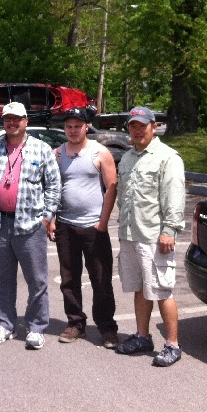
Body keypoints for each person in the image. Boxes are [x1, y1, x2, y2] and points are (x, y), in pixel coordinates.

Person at [0, 102, 60, 350]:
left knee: (36, 279)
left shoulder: (41, 149)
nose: (12, 123)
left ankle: (36, 327)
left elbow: (54, 186)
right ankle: (4, 323)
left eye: (16, 119)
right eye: (7, 119)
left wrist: (46, 217)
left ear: (26, 121)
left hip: (31, 225)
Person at [114, 106, 185, 367]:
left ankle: (173, 344)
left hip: (155, 236)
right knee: (140, 288)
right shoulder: (128, 158)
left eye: (142, 125)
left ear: (154, 127)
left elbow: (174, 196)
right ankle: (143, 336)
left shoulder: (168, 157)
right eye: (133, 125)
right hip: (131, 234)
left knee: (162, 289)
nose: (137, 129)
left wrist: (169, 230)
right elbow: (123, 197)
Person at [54, 106, 119, 348]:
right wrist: (51, 220)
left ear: (85, 127)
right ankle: (75, 323)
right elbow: (51, 190)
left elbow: (112, 188)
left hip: (94, 228)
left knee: (101, 279)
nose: (72, 130)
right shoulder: (57, 155)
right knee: (69, 279)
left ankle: (107, 327)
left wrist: (102, 223)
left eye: (77, 126)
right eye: (68, 126)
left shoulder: (100, 153)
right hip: (66, 226)